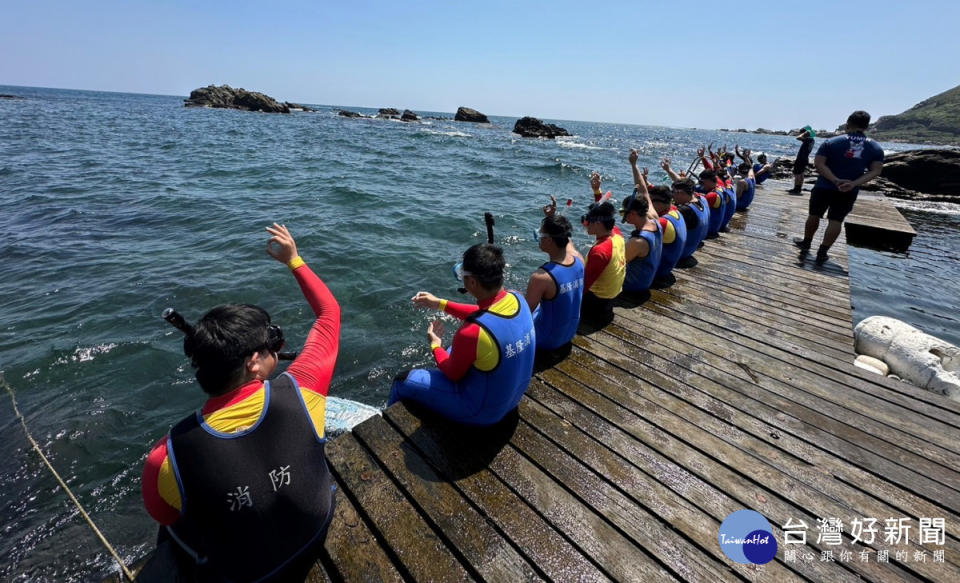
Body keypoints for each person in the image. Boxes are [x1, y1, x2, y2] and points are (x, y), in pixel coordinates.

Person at [141, 224, 340, 582]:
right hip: (314, 533)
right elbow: (329, 315)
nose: (277, 348)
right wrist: (294, 260)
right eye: (271, 342)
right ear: (253, 362)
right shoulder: (304, 389)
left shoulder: (166, 456)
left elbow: (165, 515)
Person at [390, 243, 535, 426]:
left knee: (402, 380)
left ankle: (385, 426)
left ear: (472, 282)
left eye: (463, 276)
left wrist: (435, 344)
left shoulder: (472, 332)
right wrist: (439, 303)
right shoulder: (518, 298)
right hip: (512, 400)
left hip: (482, 412)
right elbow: (486, 313)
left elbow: (452, 374)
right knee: (459, 350)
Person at [794, 111, 884, 264]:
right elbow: (876, 170)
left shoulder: (832, 142)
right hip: (849, 190)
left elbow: (819, 164)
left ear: (848, 124)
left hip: (824, 186)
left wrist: (835, 180)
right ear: (866, 126)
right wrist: (854, 183)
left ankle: (806, 243)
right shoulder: (875, 147)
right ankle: (822, 252)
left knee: (814, 215)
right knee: (836, 220)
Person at [526, 211, 584, 352]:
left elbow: (524, 316)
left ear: (550, 240)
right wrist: (553, 216)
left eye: (541, 235)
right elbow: (568, 242)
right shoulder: (579, 260)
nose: (538, 238)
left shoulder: (541, 277)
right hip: (569, 333)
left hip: (546, 340)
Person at [620, 151, 663, 297]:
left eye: (623, 213)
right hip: (647, 278)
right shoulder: (655, 220)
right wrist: (633, 165)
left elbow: (615, 265)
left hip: (633, 286)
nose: (623, 218)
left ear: (632, 214)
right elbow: (643, 191)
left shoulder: (637, 241)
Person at [580, 200, 626, 326]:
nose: (585, 224)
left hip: (597, 304)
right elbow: (603, 212)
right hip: (612, 296)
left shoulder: (599, 251)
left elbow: (583, 287)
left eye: (588, 220)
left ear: (599, 223)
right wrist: (597, 192)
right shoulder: (617, 234)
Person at [648, 186, 688, 287]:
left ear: (659, 203)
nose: (648, 206)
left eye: (649, 202)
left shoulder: (662, 222)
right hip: (669, 267)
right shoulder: (674, 210)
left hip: (659, 271)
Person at [670, 177, 710, 267]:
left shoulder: (685, 210)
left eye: (674, 192)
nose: (673, 196)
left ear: (681, 193)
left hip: (682, 253)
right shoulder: (701, 200)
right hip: (691, 248)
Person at [697, 169, 726, 239]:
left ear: (708, 181)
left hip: (709, 230)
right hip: (715, 227)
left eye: (702, 182)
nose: (701, 185)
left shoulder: (712, 195)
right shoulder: (720, 189)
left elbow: (697, 210)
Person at [788, 126, 816, 194]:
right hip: (805, 158)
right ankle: (799, 188)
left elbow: (798, 137)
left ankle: (796, 188)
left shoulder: (808, 139)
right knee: (801, 173)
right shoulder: (811, 140)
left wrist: (805, 133)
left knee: (797, 173)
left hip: (801, 158)